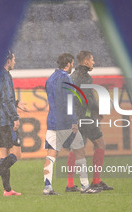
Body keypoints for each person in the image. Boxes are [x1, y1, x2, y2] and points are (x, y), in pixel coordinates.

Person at [43, 53, 100, 195]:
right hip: (66, 123)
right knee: (80, 151)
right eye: (71, 64)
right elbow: (68, 102)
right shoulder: (66, 78)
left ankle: (47, 187)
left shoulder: (50, 79)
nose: (72, 67)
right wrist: (74, 121)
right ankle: (85, 186)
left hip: (52, 121)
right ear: (68, 64)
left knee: (51, 154)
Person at [65, 51, 114, 192]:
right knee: (100, 144)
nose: (93, 62)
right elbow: (87, 100)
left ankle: (69, 185)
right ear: (85, 61)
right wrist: (100, 108)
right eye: (92, 60)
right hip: (84, 118)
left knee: (76, 149)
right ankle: (96, 182)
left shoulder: (73, 76)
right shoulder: (85, 77)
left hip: (76, 117)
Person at [0, 50, 27, 196]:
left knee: (4, 153)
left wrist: (16, 102)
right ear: (8, 60)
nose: (15, 62)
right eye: (14, 59)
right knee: (17, 153)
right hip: (5, 120)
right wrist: (15, 117)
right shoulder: (5, 75)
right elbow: (6, 99)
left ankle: (7, 190)